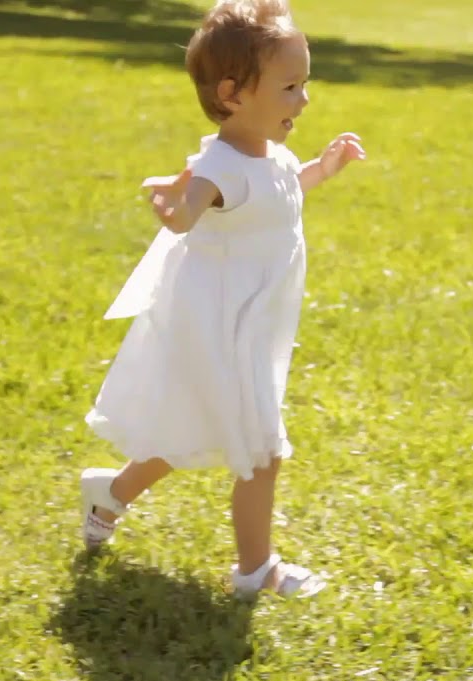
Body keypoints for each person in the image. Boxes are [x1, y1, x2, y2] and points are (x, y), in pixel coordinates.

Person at [79, 0, 366, 600]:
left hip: (253, 325)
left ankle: (110, 494)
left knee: (188, 429)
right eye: (290, 87)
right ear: (234, 95)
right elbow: (188, 212)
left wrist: (324, 167)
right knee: (261, 450)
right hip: (219, 328)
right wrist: (170, 207)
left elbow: (282, 191)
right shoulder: (219, 165)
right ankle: (256, 570)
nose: (304, 100)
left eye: (304, 84)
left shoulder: (272, 155)